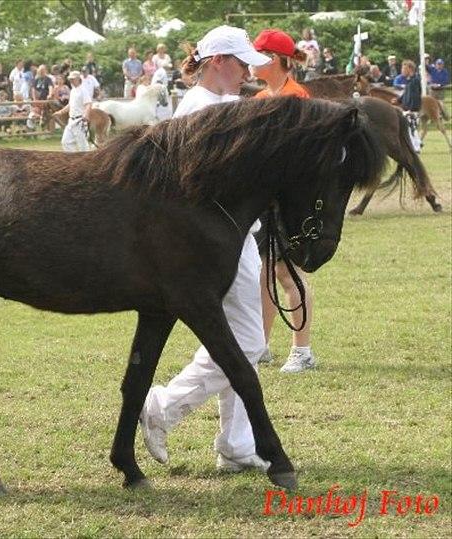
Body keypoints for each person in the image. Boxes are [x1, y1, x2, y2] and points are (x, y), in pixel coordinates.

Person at [140, 25, 272, 473]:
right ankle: (165, 405)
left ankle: (236, 444)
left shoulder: (228, 105)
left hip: (237, 236)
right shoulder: (196, 110)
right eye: (240, 63)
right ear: (218, 61)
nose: (246, 72)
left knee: (242, 340)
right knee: (248, 340)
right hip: (217, 240)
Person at [249, 29, 317, 374]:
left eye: (258, 55)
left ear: (274, 59)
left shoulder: (297, 97)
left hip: (291, 202)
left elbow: (304, 157)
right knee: (263, 275)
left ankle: (302, 352)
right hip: (265, 201)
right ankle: (260, 345)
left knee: (288, 275)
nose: (250, 61)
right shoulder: (261, 98)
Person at [56, 70, 91, 152]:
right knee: (65, 142)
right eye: (70, 79)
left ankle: (87, 162)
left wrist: (86, 114)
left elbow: (88, 104)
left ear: (78, 79)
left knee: (83, 146)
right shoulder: (72, 91)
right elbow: (70, 105)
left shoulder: (83, 90)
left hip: (79, 121)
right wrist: (60, 112)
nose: (71, 81)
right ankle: (72, 160)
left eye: (73, 79)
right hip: (71, 120)